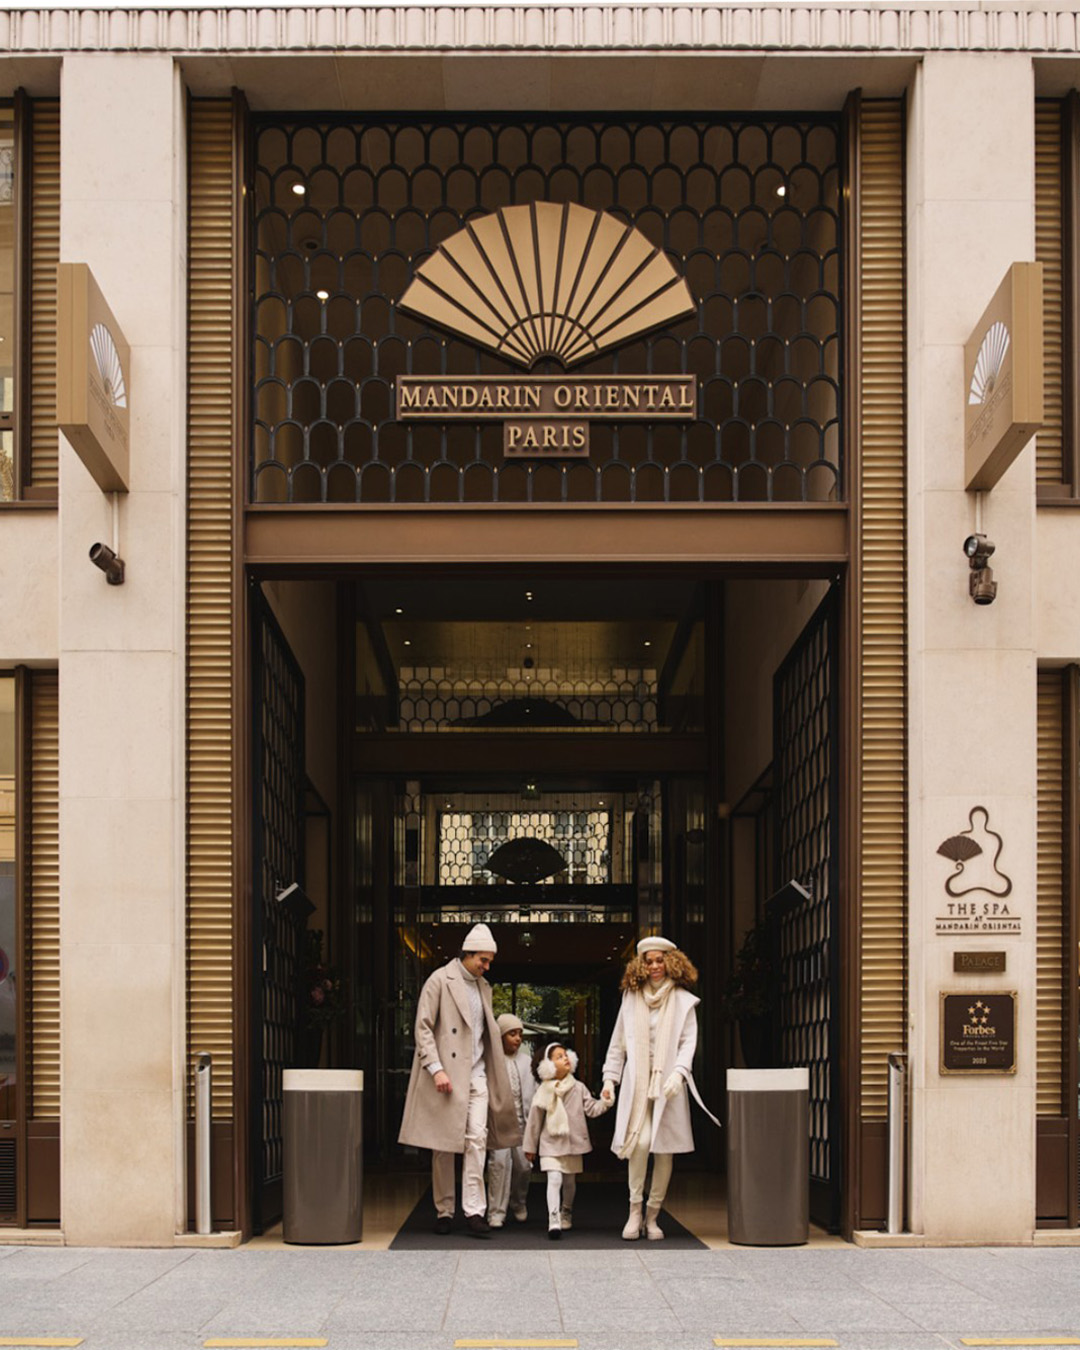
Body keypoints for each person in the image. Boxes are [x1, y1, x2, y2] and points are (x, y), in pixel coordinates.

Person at [398, 922, 521, 1238]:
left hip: (477, 1073)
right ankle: (444, 1210)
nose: (487, 966)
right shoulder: (439, 980)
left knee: (477, 1140)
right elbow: (423, 1027)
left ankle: (474, 1211)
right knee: (444, 1146)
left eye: (489, 961)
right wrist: (436, 1068)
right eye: (483, 959)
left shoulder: (484, 987)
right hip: (448, 1075)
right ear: (467, 954)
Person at [601, 935, 718, 1241]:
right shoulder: (631, 997)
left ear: (671, 961)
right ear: (641, 964)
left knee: (664, 1150)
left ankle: (653, 1215)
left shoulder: (683, 1000)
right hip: (637, 1084)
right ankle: (634, 1211)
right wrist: (609, 1080)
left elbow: (688, 1042)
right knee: (639, 1144)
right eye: (649, 960)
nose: (654, 966)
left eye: (660, 960)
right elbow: (618, 1044)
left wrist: (679, 1073)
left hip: (668, 1086)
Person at [523, 1041, 610, 1240]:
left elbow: (591, 1109)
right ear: (548, 1065)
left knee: (569, 1182)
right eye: (559, 1057)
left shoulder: (579, 1088)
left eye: (566, 1055)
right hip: (550, 1144)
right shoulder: (543, 1091)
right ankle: (553, 1219)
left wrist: (605, 1101)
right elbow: (534, 1122)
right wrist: (530, 1146)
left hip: (573, 1143)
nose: (565, 1058)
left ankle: (566, 1210)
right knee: (554, 1179)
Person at [485, 1012, 535, 1228]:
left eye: (520, 1034)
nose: (517, 1038)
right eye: (511, 1034)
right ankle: (496, 1211)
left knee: (524, 1166)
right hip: (500, 1124)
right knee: (499, 1165)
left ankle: (518, 1202)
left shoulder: (527, 1061)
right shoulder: (491, 1061)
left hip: (523, 1124)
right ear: (501, 1036)